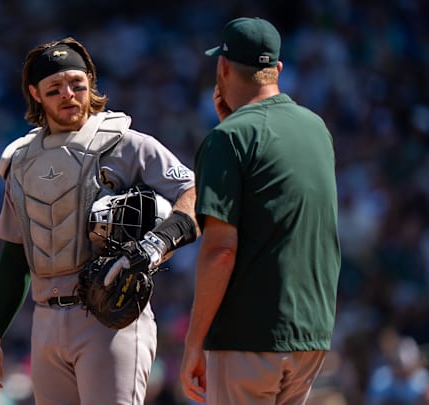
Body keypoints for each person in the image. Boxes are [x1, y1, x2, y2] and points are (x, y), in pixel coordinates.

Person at [0, 37, 200, 404]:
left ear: (90, 83)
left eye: (77, 84)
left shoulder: (126, 143)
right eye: (55, 88)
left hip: (111, 318)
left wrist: (158, 243)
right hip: (46, 321)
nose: (69, 94)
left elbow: (194, 193)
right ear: (35, 94)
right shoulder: (21, 161)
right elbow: (15, 255)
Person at [179, 17, 341, 404]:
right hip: (310, 335)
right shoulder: (315, 127)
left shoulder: (228, 139)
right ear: (278, 70)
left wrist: (193, 343)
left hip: (247, 337)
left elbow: (221, 249)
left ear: (222, 67)